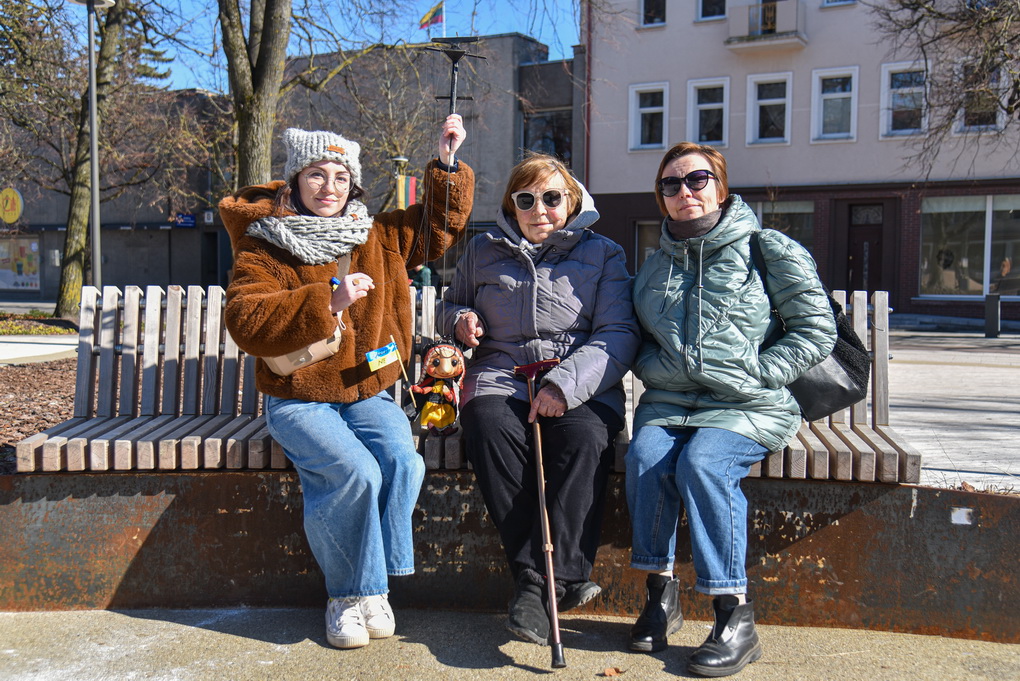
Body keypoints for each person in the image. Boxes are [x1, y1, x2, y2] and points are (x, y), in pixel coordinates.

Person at [220, 115, 473, 650]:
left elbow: (439, 227)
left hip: (367, 389)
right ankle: (348, 595)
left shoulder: (378, 235)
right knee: (355, 471)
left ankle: (372, 587)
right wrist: (326, 302)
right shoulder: (265, 246)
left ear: (353, 183)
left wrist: (447, 164)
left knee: (403, 462)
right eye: (316, 173)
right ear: (294, 180)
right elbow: (245, 319)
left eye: (339, 176)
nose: (328, 187)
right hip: (298, 398)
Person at [626, 142, 836, 676]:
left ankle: (732, 614)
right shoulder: (654, 265)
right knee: (645, 458)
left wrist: (760, 372)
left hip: (748, 405)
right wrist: (656, 370)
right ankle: (661, 592)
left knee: (704, 464)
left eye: (696, 180)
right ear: (662, 198)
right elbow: (640, 337)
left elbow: (816, 330)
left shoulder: (767, 249)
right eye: (670, 185)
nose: (684, 193)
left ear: (719, 186)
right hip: (671, 402)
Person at [440, 152, 641, 645]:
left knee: (584, 439)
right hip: (500, 377)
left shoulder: (604, 254)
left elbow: (617, 333)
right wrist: (459, 320)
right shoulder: (482, 251)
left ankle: (534, 586)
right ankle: (556, 581)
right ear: (512, 205)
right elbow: (451, 305)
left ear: (571, 202)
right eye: (526, 200)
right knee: (487, 428)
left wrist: (563, 386)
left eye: (551, 198)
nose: (539, 210)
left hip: (579, 382)